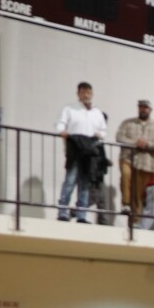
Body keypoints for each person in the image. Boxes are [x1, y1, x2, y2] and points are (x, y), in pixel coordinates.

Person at [55, 82, 106, 223]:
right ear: (78, 94)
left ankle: (81, 214)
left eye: (89, 92)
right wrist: (62, 131)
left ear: (92, 93)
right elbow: (60, 123)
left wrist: (100, 134)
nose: (86, 95)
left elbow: (103, 130)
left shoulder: (97, 112)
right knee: (70, 180)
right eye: (83, 92)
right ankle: (63, 211)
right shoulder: (70, 108)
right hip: (75, 146)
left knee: (84, 183)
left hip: (89, 148)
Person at [116, 100, 154, 224]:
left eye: (145, 108)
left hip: (146, 163)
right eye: (141, 107)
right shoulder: (127, 123)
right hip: (128, 158)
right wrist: (135, 142)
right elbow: (119, 137)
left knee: (138, 195)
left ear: (150, 110)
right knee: (126, 176)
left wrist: (147, 144)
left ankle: (135, 222)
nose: (143, 109)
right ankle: (125, 204)